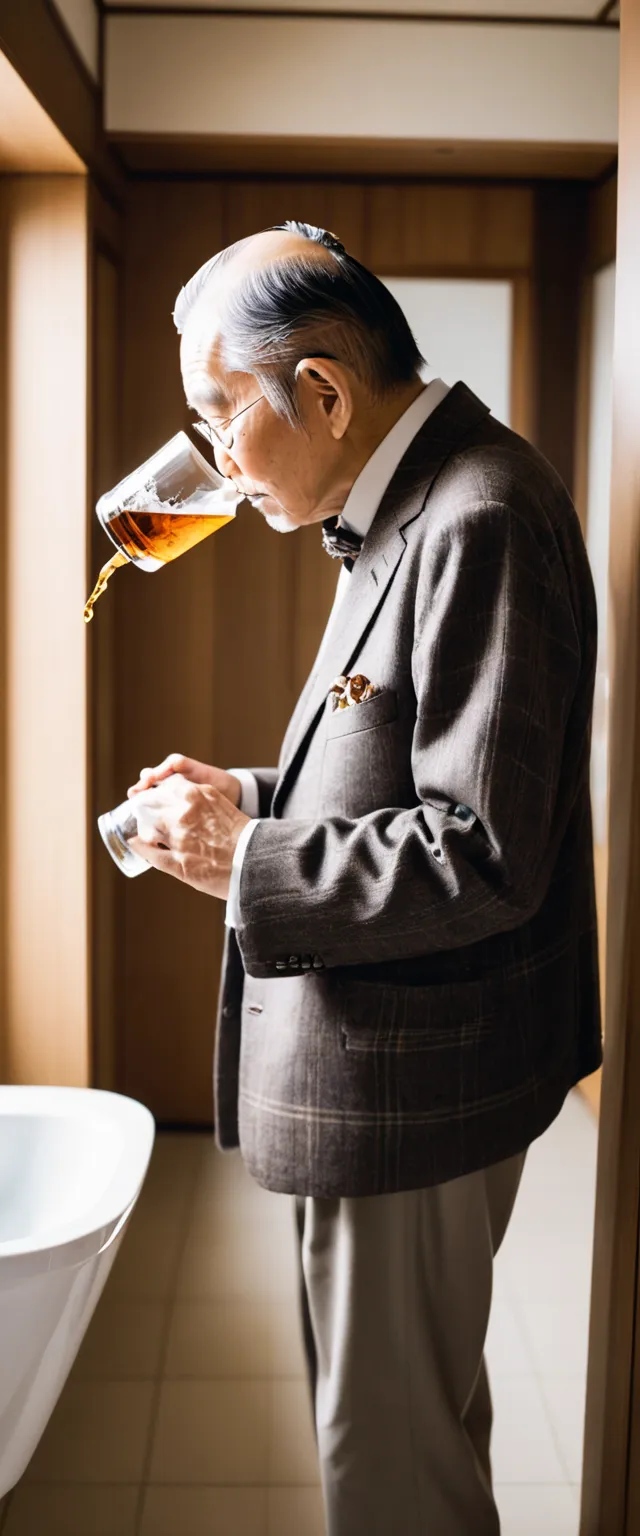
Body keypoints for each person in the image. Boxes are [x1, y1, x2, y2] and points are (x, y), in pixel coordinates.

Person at [128, 221, 602, 1535]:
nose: (218, 462)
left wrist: (246, 859)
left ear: (324, 393)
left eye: (223, 416)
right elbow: (396, 779)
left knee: (388, 1465)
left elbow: (485, 854)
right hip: (397, 1067)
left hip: (416, 1080)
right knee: (402, 1434)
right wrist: (255, 800)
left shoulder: (479, 515)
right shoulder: (401, 503)